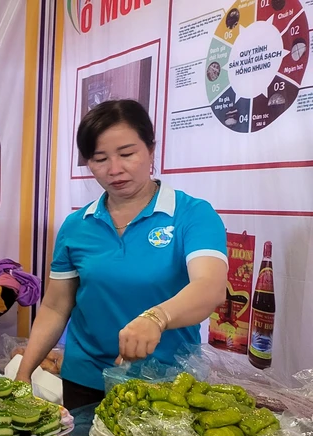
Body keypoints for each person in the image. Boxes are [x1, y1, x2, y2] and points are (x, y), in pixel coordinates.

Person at [16, 100, 227, 409]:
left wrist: (157, 318)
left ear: (151, 150)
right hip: (86, 380)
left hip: (168, 385)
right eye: (100, 159)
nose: (114, 169)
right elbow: (55, 306)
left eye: (127, 154)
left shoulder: (192, 214)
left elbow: (210, 287)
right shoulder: (77, 226)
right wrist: (24, 373)